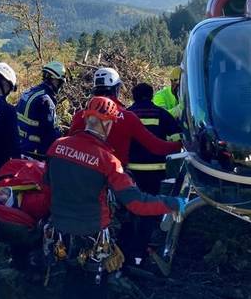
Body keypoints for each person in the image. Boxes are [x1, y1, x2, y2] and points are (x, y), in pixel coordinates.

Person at [45, 96, 185, 299]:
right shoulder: (108, 160)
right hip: (93, 236)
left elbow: (47, 186)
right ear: (107, 123)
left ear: (86, 119)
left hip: (60, 232)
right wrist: (172, 203)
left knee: (71, 277)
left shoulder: (56, 147)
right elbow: (136, 203)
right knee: (95, 287)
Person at [69, 67, 182, 167]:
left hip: (85, 173)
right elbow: (155, 145)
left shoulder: (79, 116)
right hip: (115, 176)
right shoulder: (127, 117)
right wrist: (180, 145)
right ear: (116, 89)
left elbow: (71, 147)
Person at [123, 83, 182, 265]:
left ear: (133, 96)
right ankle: (144, 246)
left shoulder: (127, 114)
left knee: (132, 206)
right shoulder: (161, 114)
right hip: (156, 170)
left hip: (132, 171)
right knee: (150, 205)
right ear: (150, 95)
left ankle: (128, 245)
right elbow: (176, 139)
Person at [16, 61, 66, 159]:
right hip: (35, 152)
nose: (60, 86)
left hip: (19, 146)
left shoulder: (30, 92)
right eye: (60, 82)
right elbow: (50, 132)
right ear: (54, 80)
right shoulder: (46, 100)